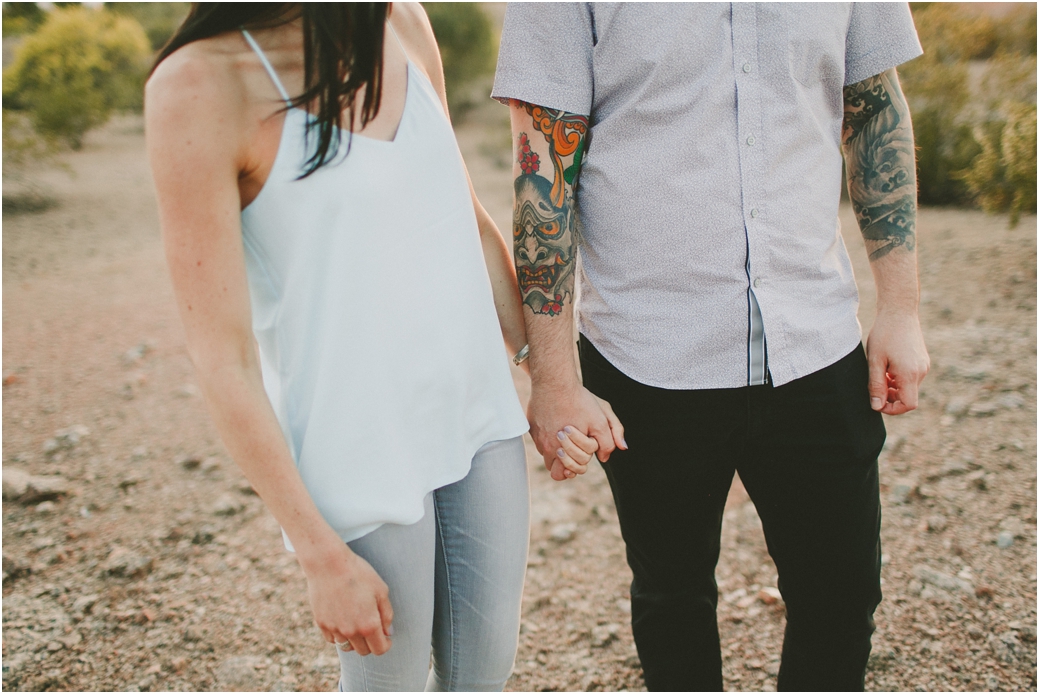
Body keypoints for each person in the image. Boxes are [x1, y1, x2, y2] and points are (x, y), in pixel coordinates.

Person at [145, 4, 603, 691]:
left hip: (477, 422)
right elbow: (222, 361)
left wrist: (547, 379)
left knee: (483, 674)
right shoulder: (197, 87)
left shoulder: (403, 23)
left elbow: (468, 223)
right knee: (386, 685)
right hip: (359, 449)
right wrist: (317, 553)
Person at [492, 3, 930, 691]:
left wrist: (899, 307)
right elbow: (543, 168)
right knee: (671, 604)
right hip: (648, 353)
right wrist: (553, 379)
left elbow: (873, 107)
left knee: (841, 598)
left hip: (812, 340)